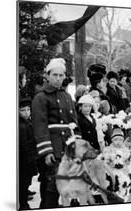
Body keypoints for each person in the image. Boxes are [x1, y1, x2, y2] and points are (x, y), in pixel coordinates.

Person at [32, 58, 80, 208]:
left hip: (67, 146)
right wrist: (47, 152)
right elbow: (39, 125)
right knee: (53, 184)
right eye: (55, 75)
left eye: (61, 75)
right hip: (53, 147)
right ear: (47, 76)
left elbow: (74, 123)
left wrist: (77, 145)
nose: (58, 78)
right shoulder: (41, 97)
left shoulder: (67, 97)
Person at [19, 97, 37, 210]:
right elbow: (23, 145)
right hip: (25, 159)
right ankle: (23, 205)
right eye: (23, 110)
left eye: (28, 109)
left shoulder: (28, 122)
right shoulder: (21, 126)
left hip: (30, 157)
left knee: (26, 182)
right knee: (23, 183)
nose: (26, 112)